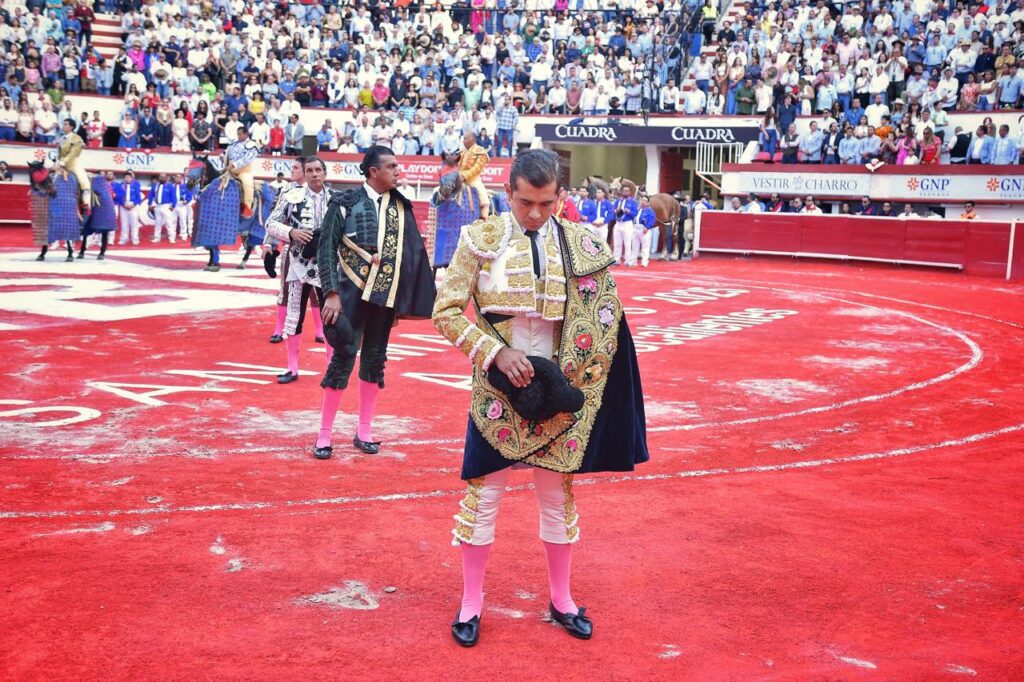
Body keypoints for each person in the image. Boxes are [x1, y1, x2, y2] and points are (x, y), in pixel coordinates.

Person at [432, 149, 648, 647]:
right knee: (483, 498)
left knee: (557, 498)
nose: (535, 213)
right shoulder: (479, 238)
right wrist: (493, 353)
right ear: (509, 192)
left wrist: (579, 386)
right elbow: (444, 311)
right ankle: (471, 603)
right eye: (526, 202)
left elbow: (604, 318)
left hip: (557, 389)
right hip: (497, 388)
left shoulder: (580, 242)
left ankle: (562, 600)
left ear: (559, 197)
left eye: (546, 203)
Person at [315, 146, 436, 459]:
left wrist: (401, 300)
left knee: (374, 360)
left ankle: (364, 431)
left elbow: (410, 257)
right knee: (342, 358)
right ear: (373, 171)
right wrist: (330, 293)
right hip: (346, 296)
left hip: (383, 298)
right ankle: (324, 434)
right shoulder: (343, 203)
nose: (398, 171)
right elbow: (326, 250)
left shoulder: (400, 207)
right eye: (392, 166)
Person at [264, 157, 340, 384]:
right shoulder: (291, 196)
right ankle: (292, 367)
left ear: (325, 173)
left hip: (327, 262)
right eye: (310, 170)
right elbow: (270, 223)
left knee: (331, 316)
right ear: (305, 174)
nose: (314, 174)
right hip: (297, 260)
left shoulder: (337, 199)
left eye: (318, 170)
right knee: (294, 313)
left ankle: (331, 367)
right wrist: (291, 233)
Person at [224, 125, 261, 218]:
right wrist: (222, 156)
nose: (238, 136)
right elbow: (227, 152)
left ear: (245, 134)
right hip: (230, 169)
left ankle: (247, 207)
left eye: (240, 134)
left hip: (243, 170)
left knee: (247, 184)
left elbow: (247, 159)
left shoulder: (252, 145)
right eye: (238, 134)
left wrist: (234, 164)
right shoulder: (234, 142)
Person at [55, 118, 91, 213]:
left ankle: (86, 205)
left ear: (71, 127)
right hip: (62, 165)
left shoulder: (76, 138)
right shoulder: (62, 138)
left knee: (84, 183)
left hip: (74, 163)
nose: (64, 126)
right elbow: (59, 153)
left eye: (66, 124)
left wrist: (62, 162)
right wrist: (58, 162)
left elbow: (74, 153)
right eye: (63, 124)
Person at [458, 131, 491, 219]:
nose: (463, 141)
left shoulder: (480, 151)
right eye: (463, 139)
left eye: (465, 139)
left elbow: (476, 168)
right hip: (459, 179)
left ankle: (484, 221)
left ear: (472, 139)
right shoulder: (462, 151)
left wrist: (464, 176)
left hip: (473, 180)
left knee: (484, 201)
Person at [114, 171, 143, 245]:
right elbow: (118, 197)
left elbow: (139, 198)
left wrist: (133, 205)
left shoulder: (136, 186)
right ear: (124, 178)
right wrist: (123, 204)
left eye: (129, 177)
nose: (127, 179)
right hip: (124, 205)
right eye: (126, 177)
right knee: (124, 223)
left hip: (133, 205)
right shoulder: (120, 186)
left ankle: (135, 239)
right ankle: (123, 239)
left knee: (134, 223)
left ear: (131, 178)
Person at [611, 188, 639, 266]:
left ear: (629, 192)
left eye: (627, 191)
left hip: (627, 223)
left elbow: (635, 213)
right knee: (617, 242)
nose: (625, 192)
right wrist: (616, 211)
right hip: (618, 222)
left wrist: (629, 211)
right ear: (621, 192)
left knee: (628, 242)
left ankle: (628, 260)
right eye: (624, 191)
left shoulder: (633, 202)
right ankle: (616, 259)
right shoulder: (618, 201)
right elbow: (613, 209)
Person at [635, 196, 657, 267]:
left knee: (645, 246)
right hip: (635, 227)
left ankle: (644, 261)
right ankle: (633, 260)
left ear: (648, 203)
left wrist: (647, 227)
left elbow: (652, 220)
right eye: (642, 200)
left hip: (644, 228)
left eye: (644, 200)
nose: (642, 201)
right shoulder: (638, 209)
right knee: (635, 245)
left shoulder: (650, 211)